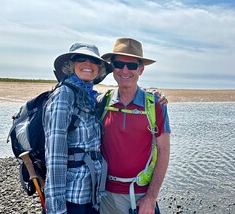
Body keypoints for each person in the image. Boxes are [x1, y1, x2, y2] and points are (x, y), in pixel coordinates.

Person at [99, 38, 171, 214]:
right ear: (112, 67)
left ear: (141, 69)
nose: (124, 70)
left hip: (139, 197)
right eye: (119, 64)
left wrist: (151, 198)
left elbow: (164, 151)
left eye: (131, 66)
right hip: (104, 195)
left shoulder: (155, 105)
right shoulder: (101, 102)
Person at [43, 42, 112, 213]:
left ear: (99, 68)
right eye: (81, 58)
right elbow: (55, 156)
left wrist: (153, 96)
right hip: (71, 199)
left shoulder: (89, 96)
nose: (88, 64)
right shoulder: (63, 95)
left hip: (90, 194)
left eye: (94, 61)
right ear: (71, 65)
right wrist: (57, 209)